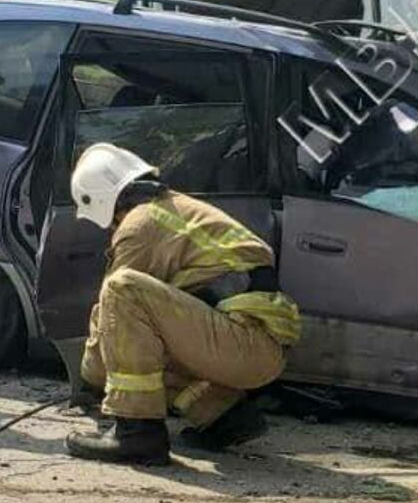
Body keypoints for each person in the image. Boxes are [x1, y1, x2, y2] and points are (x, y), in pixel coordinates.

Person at [64, 143, 302, 465]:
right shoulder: (172, 209)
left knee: (122, 291)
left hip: (243, 344)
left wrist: (89, 380)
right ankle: (225, 416)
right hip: (253, 345)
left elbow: (112, 315)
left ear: (104, 201)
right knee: (146, 343)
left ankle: (137, 433)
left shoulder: (140, 226)